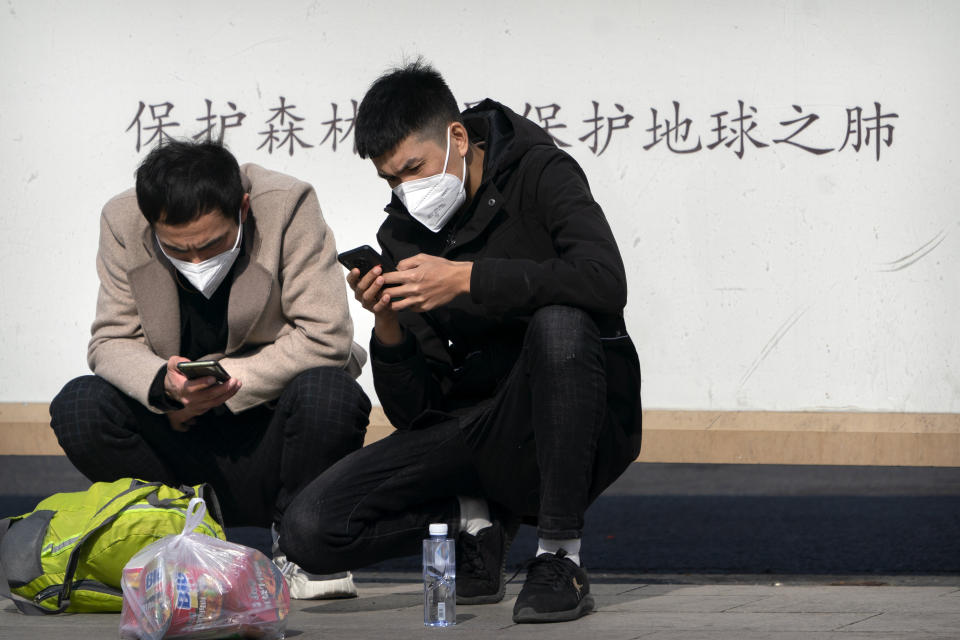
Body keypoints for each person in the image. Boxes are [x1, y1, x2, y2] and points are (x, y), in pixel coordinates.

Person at [280, 60, 643, 623]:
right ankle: (473, 521)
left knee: (561, 324)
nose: (406, 190)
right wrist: (389, 324)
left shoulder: (542, 173)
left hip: (577, 413)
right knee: (309, 528)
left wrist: (467, 278)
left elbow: (603, 280)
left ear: (457, 137)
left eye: (414, 169)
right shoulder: (399, 234)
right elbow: (415, 412)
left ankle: (559, 558)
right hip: (475, 428)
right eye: (390, 180)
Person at [49, 140, 371, 600]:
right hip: (179, 437)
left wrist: (223, 385)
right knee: (80, 406)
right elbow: (110, 341)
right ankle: (178, 541)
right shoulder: (124, 220)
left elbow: (325, 336)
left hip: (272, 433)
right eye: (178, 250)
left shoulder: (286, 206)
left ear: (241, 208)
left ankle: (300, 546)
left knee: (330, 393)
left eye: (213, 244)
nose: (197, 261)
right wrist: (165, 389)